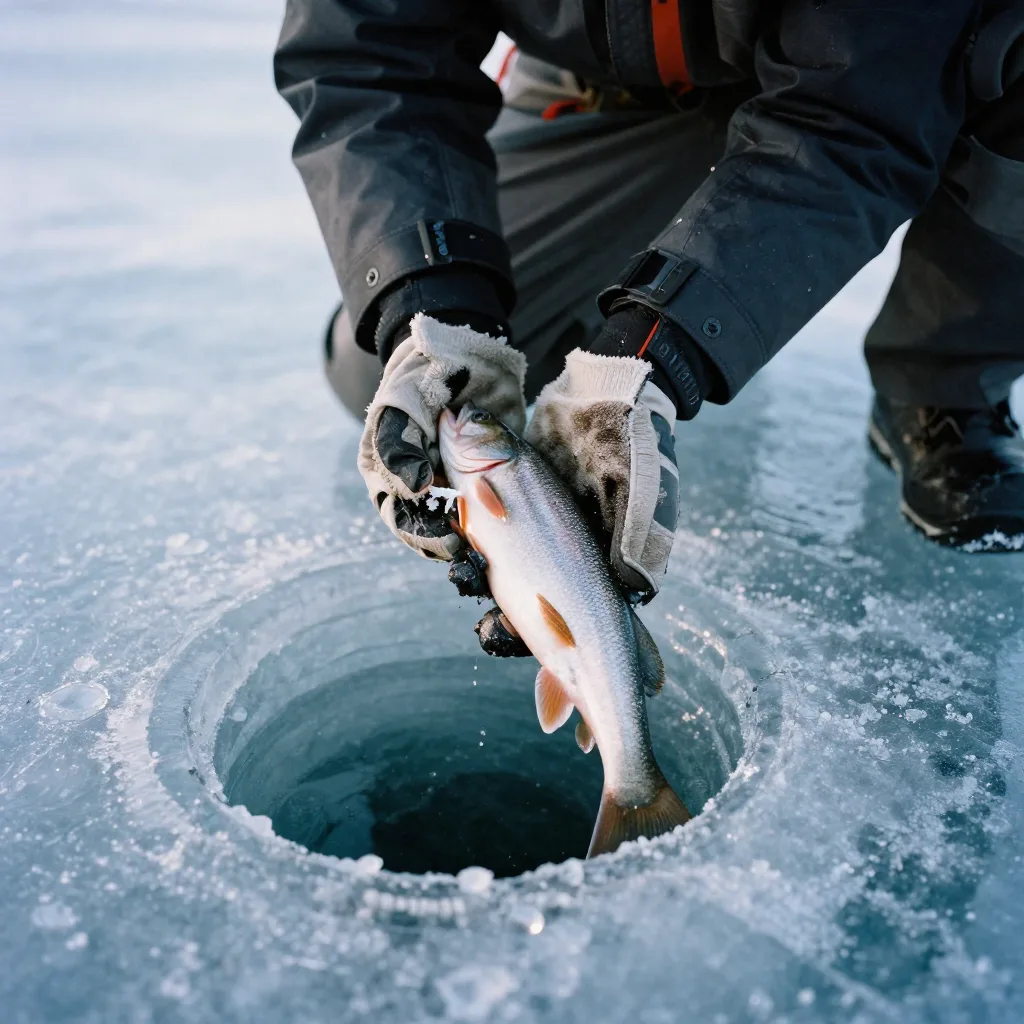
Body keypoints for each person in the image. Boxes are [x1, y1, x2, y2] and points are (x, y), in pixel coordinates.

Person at [274, 1, 1024, 654]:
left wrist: (654, 352)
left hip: (853, 102)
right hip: (605, 91)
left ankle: (948, 386)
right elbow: (368, 59)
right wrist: (427, 308)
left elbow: (858, 119)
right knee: (376, 374)